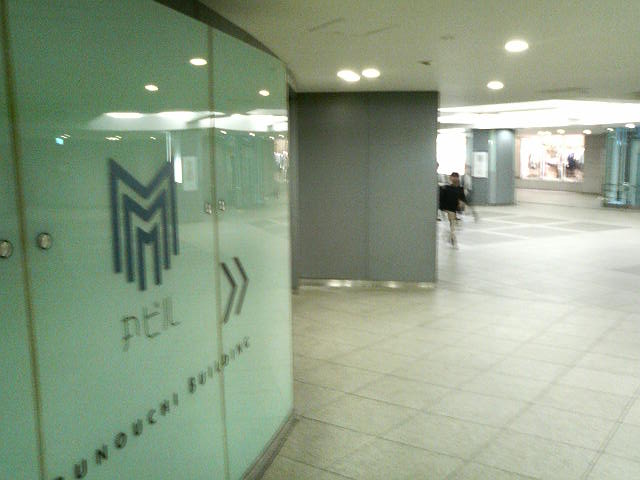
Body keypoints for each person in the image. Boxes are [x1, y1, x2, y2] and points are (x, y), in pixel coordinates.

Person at [440, 172, 467, 247]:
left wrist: (461, 204)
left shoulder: (459, 189)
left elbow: (463, 199)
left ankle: (452, 236)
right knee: (452, 222)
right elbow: (441, 198)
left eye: (456, 177)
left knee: (452, 222)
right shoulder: (446, 188)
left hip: (453, 208)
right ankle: (452, 236)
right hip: (447, 208)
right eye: (453, 177)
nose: (455, 179)